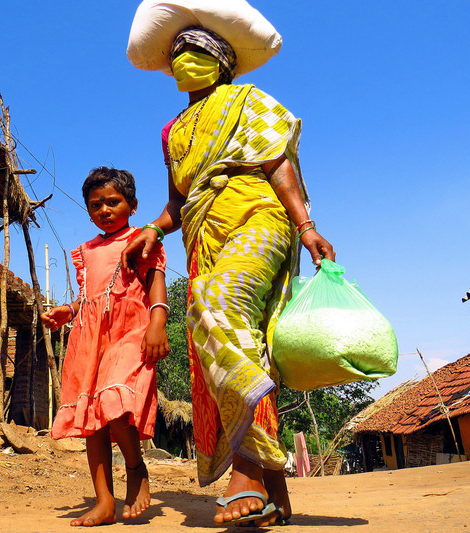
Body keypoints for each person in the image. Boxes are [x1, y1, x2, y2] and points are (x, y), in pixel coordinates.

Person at [122, 27, 335, 527]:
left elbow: (277, 164)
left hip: (258, 217)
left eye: (197, 51)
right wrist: (154, 228)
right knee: (238, 340)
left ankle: (247, 468)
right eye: (177, 53)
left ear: (222, 60)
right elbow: (179, 201)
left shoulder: (247, 100)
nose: (186, 60)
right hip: (203, 235)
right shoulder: (172, 131)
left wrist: (306, 226)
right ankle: (274, 487)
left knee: (214, 303)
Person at [41, 166, 170, 527]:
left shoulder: (143, 240)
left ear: (133, 204)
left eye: (113, 202)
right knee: (92, 420)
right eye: (96, 205)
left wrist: (158, 323)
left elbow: (155, 281)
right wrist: (69, 311)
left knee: (114, 403)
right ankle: (103, 501)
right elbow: (89, 297)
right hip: (89, 338)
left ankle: (135, 468)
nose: (105, 210)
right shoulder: (88, 251)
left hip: (130, 333)